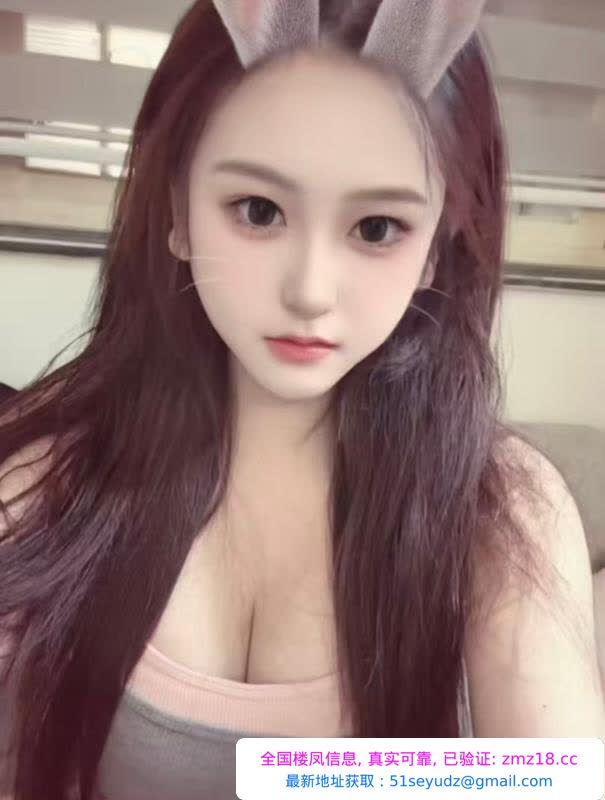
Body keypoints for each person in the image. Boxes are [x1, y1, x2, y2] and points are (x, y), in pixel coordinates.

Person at [1, 0, 604, 798]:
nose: (310, 290)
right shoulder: (44, 483)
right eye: (259, 212)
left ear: (435, 251)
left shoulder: (503, 516)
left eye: (377, 228)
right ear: (178, 211)